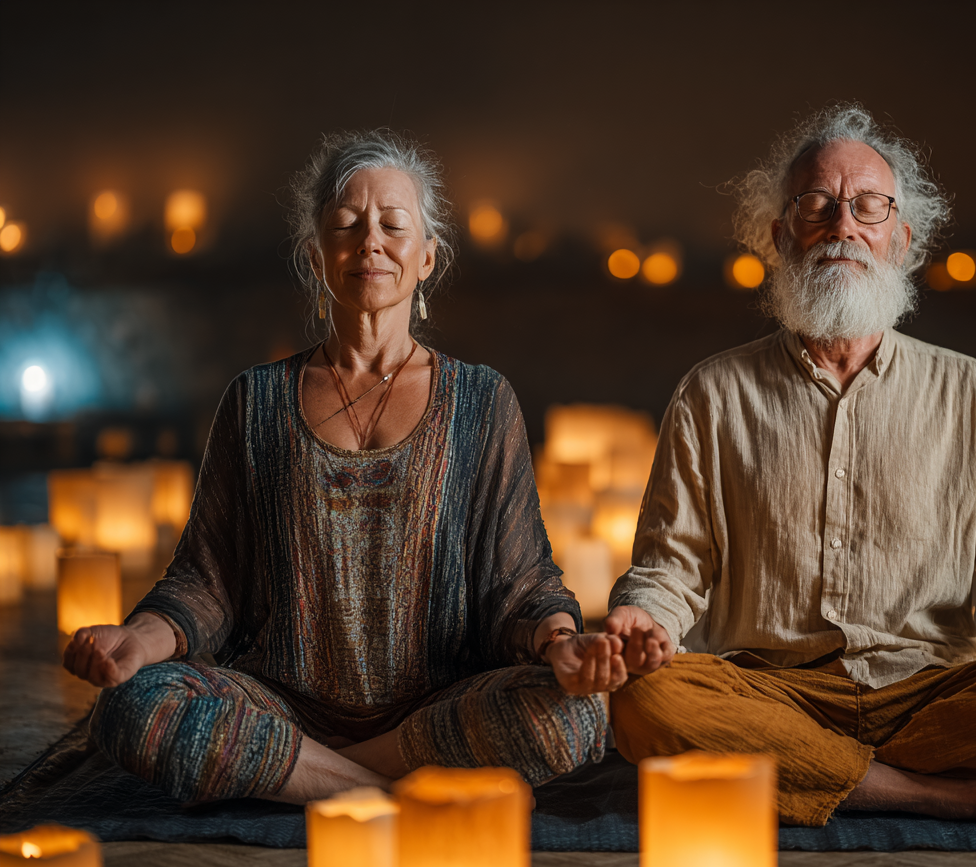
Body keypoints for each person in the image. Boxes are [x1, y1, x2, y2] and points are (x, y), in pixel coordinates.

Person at [604, 104, 976, 826]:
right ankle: (952, 795)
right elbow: (669, 570)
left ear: (900, 241)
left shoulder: (969, 391)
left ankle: (811, 773)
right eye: (818, 205)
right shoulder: (713, 392)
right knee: (646, 698)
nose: (844, 226)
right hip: (770, 693)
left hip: (932, 695)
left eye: (869, 208)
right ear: (780, 237)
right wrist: (641, 620)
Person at [63, 130, 629, 804]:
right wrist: (135, 639)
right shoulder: (257, 401)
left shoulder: (482, 400)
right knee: (133, 705)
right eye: (347, 225)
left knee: (578, 714)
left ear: (426, 258)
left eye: (394, 225)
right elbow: (204, 583)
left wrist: (561, 644)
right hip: (278, 704)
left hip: (437, 708)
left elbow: (521, 582)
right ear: (316, 255)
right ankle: (383, 793)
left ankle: (297, 774)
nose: (370, 242)